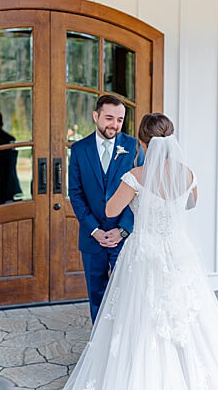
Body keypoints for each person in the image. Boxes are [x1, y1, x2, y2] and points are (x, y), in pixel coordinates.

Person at [64, 113, 218, 390]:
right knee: (185, 311)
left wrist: (135, 197)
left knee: (142, 313)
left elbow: (110, 210)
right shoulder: (187, 173)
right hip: (177, 250)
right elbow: (191, 204)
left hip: (144, 252)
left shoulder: (136, 176)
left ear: (142, 142)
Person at [67, 95, 144, 322]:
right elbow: (76, 194)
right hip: (92, 238)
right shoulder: (80, 149)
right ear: (96, 116)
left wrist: (122, 230)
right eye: (109, 118)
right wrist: (94, 230)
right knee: (97, 294)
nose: (115, 124)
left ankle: (122, 343)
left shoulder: (133, 146)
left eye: (120, 120)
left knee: (126, 294)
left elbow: (141, 192)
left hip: (125, 237)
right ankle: (98, 348)